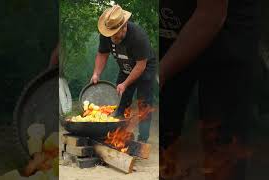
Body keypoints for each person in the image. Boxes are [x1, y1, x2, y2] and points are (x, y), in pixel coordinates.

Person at [160, 0, 262, 179]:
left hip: (227, 23)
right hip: (170, 19)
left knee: (222, 139)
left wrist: (159, 74)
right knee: (162, 120)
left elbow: (211, 15)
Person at [91, 4, 157, 143]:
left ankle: (142, 139)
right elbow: (102, 54)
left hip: (145, 68)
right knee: (120, 100)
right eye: (110, 34)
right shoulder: (106, 33)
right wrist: (96, 73)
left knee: (143, 103)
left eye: (115, 34)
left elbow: (140, 66)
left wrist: (125, 83)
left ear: (124, 26)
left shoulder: (138, 37)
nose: (112, 38)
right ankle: (117, 135)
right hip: (125, 68)